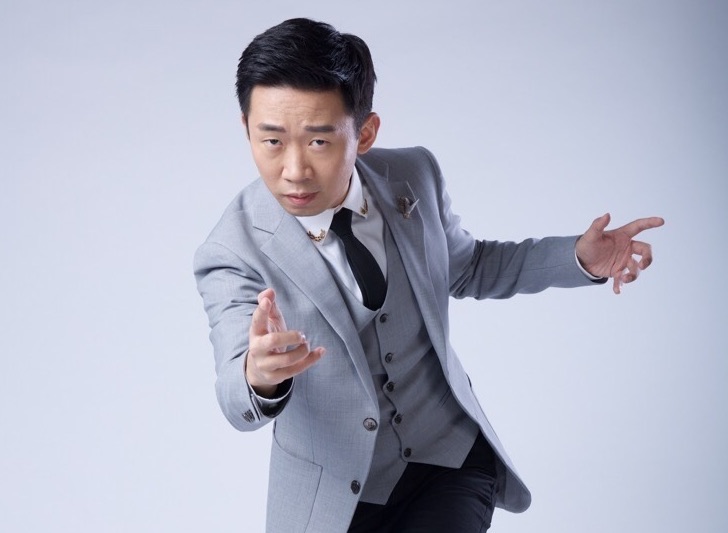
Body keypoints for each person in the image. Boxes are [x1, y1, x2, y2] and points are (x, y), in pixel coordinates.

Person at [193, 17, 664, 533]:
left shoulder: (413, 175)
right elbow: (234, 393)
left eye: (319, 142)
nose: (294, 170)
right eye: (271, 141)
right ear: (246, 129)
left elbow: (469, 266)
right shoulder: (231, 249)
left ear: (364, 133)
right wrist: (259, 377)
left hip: (449, 461)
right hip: (334, 502)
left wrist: (577, 258)